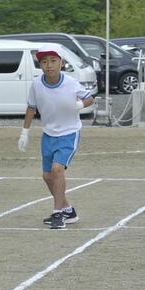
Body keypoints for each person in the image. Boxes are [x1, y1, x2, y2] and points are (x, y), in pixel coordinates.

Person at [17, 43, 94, 230]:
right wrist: (24, 132)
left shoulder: (71, 83)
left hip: (69, 133)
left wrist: (79, 105)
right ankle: (68, 210)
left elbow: (90, 98)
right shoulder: (36, 84)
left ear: (61, 62)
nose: (49, 65)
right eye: (44, 62)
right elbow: (31, 108)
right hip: (48, 134)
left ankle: (57, 214)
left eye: (53, 60)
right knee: (47, 175)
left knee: (57, 170)